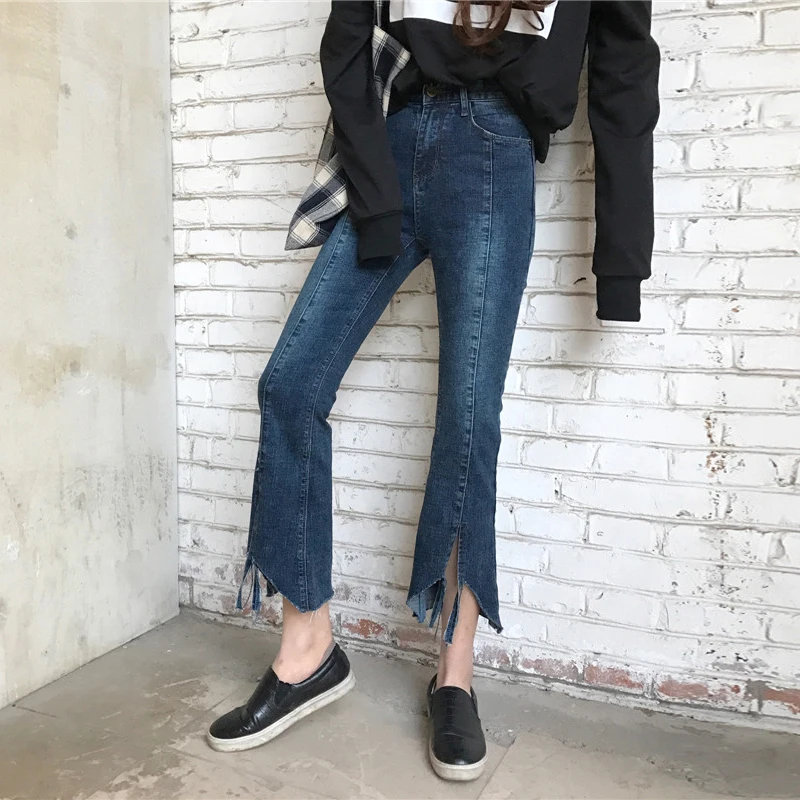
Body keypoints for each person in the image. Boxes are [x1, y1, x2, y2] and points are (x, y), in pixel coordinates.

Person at [206, 0, 660, 782]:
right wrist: (376, 189)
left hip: (497, 153)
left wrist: (621, 261)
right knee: (290, 385)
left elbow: (624, 66)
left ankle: (455, 675)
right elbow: (347, 37)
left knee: (469, 419)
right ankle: (308, 650)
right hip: (391, 140)